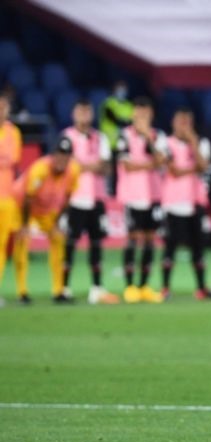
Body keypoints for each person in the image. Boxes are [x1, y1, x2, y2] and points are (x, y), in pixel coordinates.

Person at [61, 99, 120, 304]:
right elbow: (65, 165)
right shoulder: (67, 136)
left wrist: (81, 165)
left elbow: (106, 167)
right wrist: (90, 165)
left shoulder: (100, 138)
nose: (84, 116)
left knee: (96, 243)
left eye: (87, 112)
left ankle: (96, 287)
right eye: (80, 112)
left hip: (96, 198)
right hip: (74, 198)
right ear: (73, 114)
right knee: (70, 244)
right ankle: (64, 287)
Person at [11, 137, 80, 304]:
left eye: (66, 156)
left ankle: (58, 291)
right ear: (53, 155)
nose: (62, 160)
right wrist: (25, 225)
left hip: (45, 210)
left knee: (58, 239)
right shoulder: (40, 169)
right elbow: (28, 198)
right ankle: (22, 292)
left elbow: (67, 199)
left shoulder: (74, 171)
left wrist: (56, 223)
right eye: (59, 155)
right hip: (22, 206)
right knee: (22, 241)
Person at [116, 97, 166, 303]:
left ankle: (144, 285)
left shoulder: (157, 136)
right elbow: (127, 165)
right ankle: (129, 286)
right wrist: (151, 164)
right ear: (133, 114)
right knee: (133, 238)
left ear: (151, 115)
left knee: (149, 239)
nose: (142, 117)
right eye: (139, 113)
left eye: (146, 113)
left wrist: (149, 139)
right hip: (132, 195)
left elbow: (163, 160)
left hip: (153, 193)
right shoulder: (124, 135)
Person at [161, 107, 211, 300]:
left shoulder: (201, 143)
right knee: (170, 247)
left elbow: (204, 166)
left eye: (187, 121)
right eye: (180, 121)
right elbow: (173, 170)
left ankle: (201, 287)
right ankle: (165, 287)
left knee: (198, 247)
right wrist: (193, 168)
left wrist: (193, 142)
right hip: (173, 202)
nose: (184, 125)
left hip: (195, 201)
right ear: (173, 122)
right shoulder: (165, 143)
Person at [0, 93, 22, 307]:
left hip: (6, 198)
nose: (1, 111)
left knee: (1, 247)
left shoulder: (13, 132)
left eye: (4, 107)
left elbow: (12, 158)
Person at [99, 80, 133, 193]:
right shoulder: (108, 104)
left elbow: (133, 122)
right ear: (114, 89)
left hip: (125, 144)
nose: (121, 91)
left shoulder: (129, 105)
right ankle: (111, 192)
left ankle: (122, 191)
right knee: (111, 171)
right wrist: (125, 121)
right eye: (119, 88)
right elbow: (115, 119)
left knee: (123, 170)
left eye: (123, 88)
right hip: (109, 143)